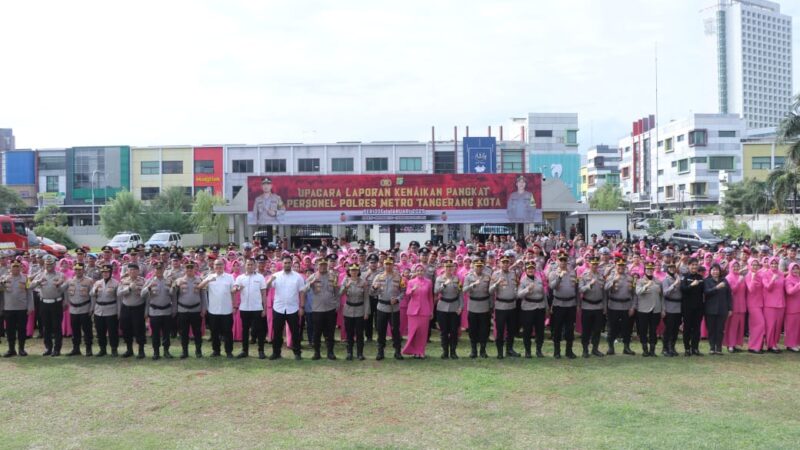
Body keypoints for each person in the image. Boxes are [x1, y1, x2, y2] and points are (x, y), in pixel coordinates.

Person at [267, 255, 305, 360]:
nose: (287, 264)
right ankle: (276, 353)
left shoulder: (298, 277)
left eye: (289, 263)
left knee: (295, 332)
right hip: (278, 308)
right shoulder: (276, 275)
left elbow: (302, 292)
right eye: (285, 263)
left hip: (293, 308)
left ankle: (297, 353)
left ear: (292, 263)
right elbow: (267, 287)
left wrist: (301, 307)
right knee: (277, 332)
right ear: (282, 264)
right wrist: (270, 280)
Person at [29, 257, 66, 356]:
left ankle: (57, 349)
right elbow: (30, 286)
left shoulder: (60, 275)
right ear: (44, 264)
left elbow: (65, 288)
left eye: (50, 264)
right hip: (44, 303)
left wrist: (60, 284)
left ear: (54, 265)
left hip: (56, 303)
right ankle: (48, 348)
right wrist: (38, 281)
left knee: (57, 327)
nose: (48, 266)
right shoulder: (40, 274)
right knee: (46, 327)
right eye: (47, 264)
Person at [197, 259, 235, 358]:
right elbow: (199, 287)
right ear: (213, 266)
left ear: (224, 266)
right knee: (214, 332)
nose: (218, 267)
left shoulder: (229, 277)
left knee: (227, 332)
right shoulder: (210, 276)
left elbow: (233, 292)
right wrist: (208, 280)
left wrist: (235, 305)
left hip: (227, 310)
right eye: (216, 265)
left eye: (220, 265)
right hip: (213, 310)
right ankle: (216, 350)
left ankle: (229, 351)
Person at [306, 258, 340, 360]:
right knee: (317, 332)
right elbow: (304, 289)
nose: (323, 267)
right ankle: (317, 352)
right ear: (317, 266)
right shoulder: (312, 276)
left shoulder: (333, 276)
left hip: (330, 308)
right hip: (317, 309)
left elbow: (336, 292)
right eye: (321, 265)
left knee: (330, 332)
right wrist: (310, 284)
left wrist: (337, 304)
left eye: (325, 265)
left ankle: (330, 352)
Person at [233, 259, 268, 359]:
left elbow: (264, 294)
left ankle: (261, 351)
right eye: (248, 264)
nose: (250, 266)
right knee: (245, 331)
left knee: (259, 330)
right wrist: (237, 288)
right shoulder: (240, 278)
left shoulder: (260, 277)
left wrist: (264, 309)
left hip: (257, 308)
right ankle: (245, 351)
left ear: (255, 266)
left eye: (252, 264)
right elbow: (235, 289)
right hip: (244, 308)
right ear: (245, 266)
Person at [371, 257, 404, 360]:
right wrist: (374, 288)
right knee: (381, 330)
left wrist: (398, 299)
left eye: (390, 264)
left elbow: (403, 291)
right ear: (383, 265)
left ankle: (397, 351)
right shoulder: (378, 277)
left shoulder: (398, 277)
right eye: (387, 264)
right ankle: (380, 351)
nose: (388, 266)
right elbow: (371, 293)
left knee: (395, 330)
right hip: (381, 307)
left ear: (393, 265)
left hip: (394, 307)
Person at [143, 263, 176, 360]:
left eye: (161, 269)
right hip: (154, 311)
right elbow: (142, 294)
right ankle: (156, 352)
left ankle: (166, 351)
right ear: (154, 270)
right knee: (155, 334)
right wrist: (148, 287)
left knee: (166, 333)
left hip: (166, 311)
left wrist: (174, 309)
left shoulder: (169, 281)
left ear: (164, 270)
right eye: (157, 269)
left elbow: (173, 296)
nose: (159, 271)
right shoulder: (149, 281)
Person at [548, 254, 578, 359]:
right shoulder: (553, 273)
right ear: (557, 261)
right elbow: (552, 286)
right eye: (561, 260)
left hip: (571, 304)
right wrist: (560, 277)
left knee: (570, 328)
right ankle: (557, 351)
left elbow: (576, 289)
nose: (563, 262)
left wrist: (577, 303)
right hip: (559, 304)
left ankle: (569, 351)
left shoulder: (573, 272)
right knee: (557, 328)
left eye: (565, 260)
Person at [490, 255, 521, 359]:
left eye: (507, 262)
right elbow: (490, 290)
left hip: (512, 306)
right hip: (501, 306)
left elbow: (516, 287)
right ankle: (499, 351)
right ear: (500, 263)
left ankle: (509, 350)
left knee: (511, 330)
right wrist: (496, 284)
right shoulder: (495, 274)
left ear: (509, 263)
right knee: (500, 330)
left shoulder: (513, 274)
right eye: (503, 262)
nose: (505, 264)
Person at [1, 262, 34, 357]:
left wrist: (30, 307)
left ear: (20, 268)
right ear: (10, 269)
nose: (15, 270)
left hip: (22, 309)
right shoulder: (5, 278)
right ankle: (11, 349)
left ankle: (21, 349)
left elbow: (29, 293)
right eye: (13, 268)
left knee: (22, 330)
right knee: (10, 330)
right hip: (8, 308)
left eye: (17, 268)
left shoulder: (25, 278)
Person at [173, 262, 205, 358]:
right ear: (185, 270)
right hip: (183, 310)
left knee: (197, 332)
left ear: (194, 269)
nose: (189, 270)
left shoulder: (200, 280)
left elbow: (203, 296)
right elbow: (174, 296)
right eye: (187, 269)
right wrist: (175, 309)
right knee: (183, 332)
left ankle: (198, 351)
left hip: (196, 310)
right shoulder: (179, 281)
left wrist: (204, 309)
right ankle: (184, 351)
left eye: (191, 269)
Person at [604, 259, 636, 356]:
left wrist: (633, 307)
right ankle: (611, 347)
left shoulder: (630, 278)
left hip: (626, 306)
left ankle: (626, 347)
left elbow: (634, 294)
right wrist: (613, 280)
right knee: (612, 327)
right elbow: (605, 289)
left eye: (622, 266)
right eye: (619, 265)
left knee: (627, 328)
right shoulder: (611, 277)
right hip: (613, 305)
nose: (621, 268)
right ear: (615, 266)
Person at [402, 264, 434, 358]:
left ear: (424, 272)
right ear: (415, 272)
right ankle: (413, 350)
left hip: (425, 311)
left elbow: (430, 297)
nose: (419, 272)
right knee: (413, 332)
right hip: (413, 311)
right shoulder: (411, 282)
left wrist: (431, 310)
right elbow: (407, 293)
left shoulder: (429, 282)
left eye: (421, 270)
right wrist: (412, 289)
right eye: (418, 270)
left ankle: (421, 351)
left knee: (423, 332)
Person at [633, 262, 663, 357]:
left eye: (651, 269)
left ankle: (652, 350)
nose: (649, 271)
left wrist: (662, 309)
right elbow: (637, 292)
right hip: (643, 309)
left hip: (655, 309)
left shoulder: (658, 281)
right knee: (643, 330)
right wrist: (646, 286)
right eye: (648, 269)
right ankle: (645, 349)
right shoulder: (640, 281)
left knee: (653, 330)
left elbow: (662, 296)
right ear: (645, 270)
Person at [64, 262, 95, 357]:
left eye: (80, 269)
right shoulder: (70, 281)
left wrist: (92, 307)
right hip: (73, 309)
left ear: (83, 270)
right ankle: (76, 348)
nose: (78, 271)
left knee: (87, 330)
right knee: (75, 330)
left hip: (85, 309)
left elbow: (93, 296)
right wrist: (66, 302)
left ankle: (88, 349)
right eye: (76, 269)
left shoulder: (89, 281)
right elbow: (66, 293)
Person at [518, 261, 547, 358]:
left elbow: (544, 294)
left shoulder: (539, 279)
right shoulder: (523, 281)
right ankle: (528, 351)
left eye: (532, 268)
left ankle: (539, 350)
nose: (530, 270)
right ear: (525, 270)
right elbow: (519, 295)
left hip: (540, 306)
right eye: (529, 268)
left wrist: (546, 307)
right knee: (527, 330)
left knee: (540, 330)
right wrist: (527, 290)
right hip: (528, 307)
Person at [117, 263, 147, 359]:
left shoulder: (143, 281)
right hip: (126, 308)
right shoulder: (123, 281)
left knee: (139, 330)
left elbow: (147, 296)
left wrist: (146, 311)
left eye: (134, 270)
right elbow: (118, 293)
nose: (132, 271)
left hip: (138, 308)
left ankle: (141, 351)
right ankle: (129, 350)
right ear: (128, 271)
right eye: (130, 270)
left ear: (138, 271)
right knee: (126, 329)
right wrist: (129, 288)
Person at [434, 259, 462, 359]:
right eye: (447, 267)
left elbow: (460, 294)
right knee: (444, 331)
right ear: (444, 268)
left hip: (454, 306)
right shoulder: (439, 278)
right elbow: (436, 291)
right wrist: (444, 284)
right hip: (442, 306)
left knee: (454, 331)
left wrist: (460, 306)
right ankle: (445, 351)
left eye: (451, 267)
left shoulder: (457, 279)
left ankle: (453, 351)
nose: (449, 269)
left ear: (453, 268)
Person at [463, 259, 492, 358]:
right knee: (473, 329)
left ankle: (483, 350)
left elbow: (491, 292)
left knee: (484, 329)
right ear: (473, 267)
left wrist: (491, 305)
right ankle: (473, 350)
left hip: (484, 305)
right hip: (473, 305)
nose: (479, 268)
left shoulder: (488, 277)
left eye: (480, 266)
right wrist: (472, 285)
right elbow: (464, 290)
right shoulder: (468, 277)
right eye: (477, 266)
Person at [340, 263, 369, 360]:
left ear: (358, 272)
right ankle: (349, 353)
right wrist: (346, 287)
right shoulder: (345, 280)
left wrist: (366, 312)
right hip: (348, 309)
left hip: (360, 310)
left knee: (360, 333)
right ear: (349, 271)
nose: (354, 272)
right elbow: (340, 293)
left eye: (356, 270)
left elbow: (366, 298)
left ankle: (360, 353)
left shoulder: (363, 282)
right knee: (349, 332)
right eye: (352, 270)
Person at [90, 265, 120, 357]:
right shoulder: (98, 282)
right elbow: (91, 294)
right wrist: (95, 289)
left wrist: (119, 311)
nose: (105, 274)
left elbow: (119, 299)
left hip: (111, 310)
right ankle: (102, 349)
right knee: (100, 331)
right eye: (103, 272)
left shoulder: (116, 283)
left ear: (110, 273)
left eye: (107, 272)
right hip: (99, 310)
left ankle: (114, 349)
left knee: (113, 332)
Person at [578, 257, 605, 358]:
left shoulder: (601, 276)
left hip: (598, 306)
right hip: (587, 306)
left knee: (597, 329)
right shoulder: (584, 276)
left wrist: (604, 306)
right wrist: (589, 285)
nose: (594, 266)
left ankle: (595, 349)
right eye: (593, 264)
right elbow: (580, 289)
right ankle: (585, 349)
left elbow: (604, 293)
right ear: (589, 264)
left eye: (596, 264)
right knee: (586, 330)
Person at [704, 264, 733, 355]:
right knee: (711, 329)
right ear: (710, 271)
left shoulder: (724, 281)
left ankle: (719, 348)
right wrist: (716, 287)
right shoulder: (707, 281)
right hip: (710, 309)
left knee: (720, 329)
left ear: (720, 271)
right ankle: (712, 347)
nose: (715, 272)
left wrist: (730, 308)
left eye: (717, 270)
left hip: (722, 309)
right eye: (713, 270)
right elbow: (706, 292)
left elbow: (729, 295)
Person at [680, 258, 705, 356]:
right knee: (687, 328)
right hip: (687, 307)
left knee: (697, 328)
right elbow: (683, 289)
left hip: (698, 307)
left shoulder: (700, 277)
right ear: (688, 266)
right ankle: (687, 348)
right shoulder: (685, 277)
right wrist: (692, 285)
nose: (694, 266)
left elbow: (704, 291)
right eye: (692, 265)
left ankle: (695, 348)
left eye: (696, 264)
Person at [762, 257, 786, 353]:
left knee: (778, 326)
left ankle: (774, 344)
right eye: (772, 263)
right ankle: (769, 345)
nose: (774, 265)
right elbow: (767, 287)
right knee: (771, 326)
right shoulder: (766, 274)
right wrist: (772, 279)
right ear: (769, 264)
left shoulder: (781, 274)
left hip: (781, 304)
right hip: (770, 304)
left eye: (775, 263)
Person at [723, 260, 747, 353]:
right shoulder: (728, 277)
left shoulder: (740, 276)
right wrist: (738, 281)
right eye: (734, 266)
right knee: (732, 326)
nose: (736, 268)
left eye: (737, 266)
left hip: (742, 305)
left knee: (739, 327)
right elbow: (731, 291)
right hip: (733, 305)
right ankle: (730, 345)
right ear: (730, 267)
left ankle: (735, 343)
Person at [661, 262, 683, 357]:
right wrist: (674, 284)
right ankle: (665, 348)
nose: (672, 269)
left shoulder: (678, 278)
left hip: (678, 306)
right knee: (669, 329)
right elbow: (665, 293)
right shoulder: (666, 280)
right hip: (669, 306)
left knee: (675, 329)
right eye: (670, 268)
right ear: (667, 269)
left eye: (673, 267)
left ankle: (672, 347)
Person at [745, 259, 766, 353]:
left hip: (761, 303)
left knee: (756, 326)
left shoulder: (760, 275)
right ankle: (755, 347)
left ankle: (755, 346)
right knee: (760, 324)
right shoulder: (748, 275)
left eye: (757, 265)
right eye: (753, 265)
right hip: (753, 304)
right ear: (749, 265)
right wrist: (753, 278)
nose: (755, 267)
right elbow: (751, 290)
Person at [784, 263, 800, 352]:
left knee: (797, 327)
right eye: (793, 269)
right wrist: (798, 285)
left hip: (798, 307)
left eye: (797, 269)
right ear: (790, 269)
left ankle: (796, 343)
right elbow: (789, 291)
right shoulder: (788, 279)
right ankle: (790, 345)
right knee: (791, 327)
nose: (795, 270)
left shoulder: (798, 278)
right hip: (791, 308)